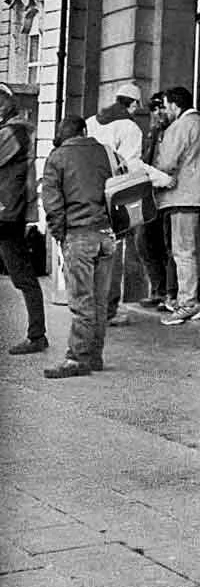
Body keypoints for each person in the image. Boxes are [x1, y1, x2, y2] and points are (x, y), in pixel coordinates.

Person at [40, 115, 116, 378]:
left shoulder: (57, 158)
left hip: (79, 234)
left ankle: (77, 359)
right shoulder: (106, 152)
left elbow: (52, 204)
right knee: (99, 301)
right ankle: (95, 355)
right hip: (107, 234)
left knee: (82, 301)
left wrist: (61, 236)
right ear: (84, 131)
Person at [155, 86, 200, 326]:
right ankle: (192, 300)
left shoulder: (179, 127)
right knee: (193, 252)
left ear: (174, 105)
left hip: (182, 198)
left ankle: (187, 303)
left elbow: (167, 164)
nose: (165, 110)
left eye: (166, 105)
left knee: (182, 252)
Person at [86, 81, 144, 326]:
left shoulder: (91, 121)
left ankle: (90, 307)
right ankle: (109, 310)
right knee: (113, 254)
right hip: (114, 197)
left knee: (89, 253)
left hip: (87, 194)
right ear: (132, 104)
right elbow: (132, 167)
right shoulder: (130, 128)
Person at [0, 84, 47, 355]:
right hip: (9, 212)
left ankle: (37, 335)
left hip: (6, 213)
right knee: (23, 276)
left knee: (24, 277)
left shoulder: (13, 132)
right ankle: (37, 334)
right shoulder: (15, 130)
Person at [135, 92, 172, 308]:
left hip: (167, 196)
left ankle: (167, 292)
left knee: (166, 245)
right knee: (144, 243)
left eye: (161, 108)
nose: (157, 113)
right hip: (151, 196)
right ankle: (158, 289)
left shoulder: (173, 132)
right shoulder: (153, 133)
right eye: (154, 109)